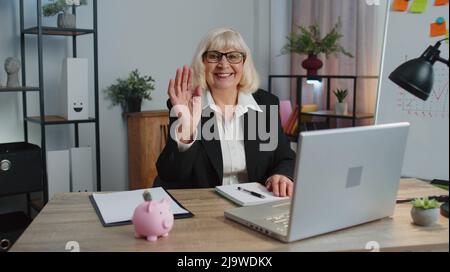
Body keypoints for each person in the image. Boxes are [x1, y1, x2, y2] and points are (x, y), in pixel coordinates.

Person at [156, 27, 295, 197]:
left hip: (255, 203)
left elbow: (285, 157)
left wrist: (282, 175)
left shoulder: (265, 104)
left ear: (244, 63)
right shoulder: (188, 104)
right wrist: (187, 131)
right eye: (214, 56)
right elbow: (170, 175)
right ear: (203, 63)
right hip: (204, 207)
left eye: (233, 56)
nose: (223, 64)